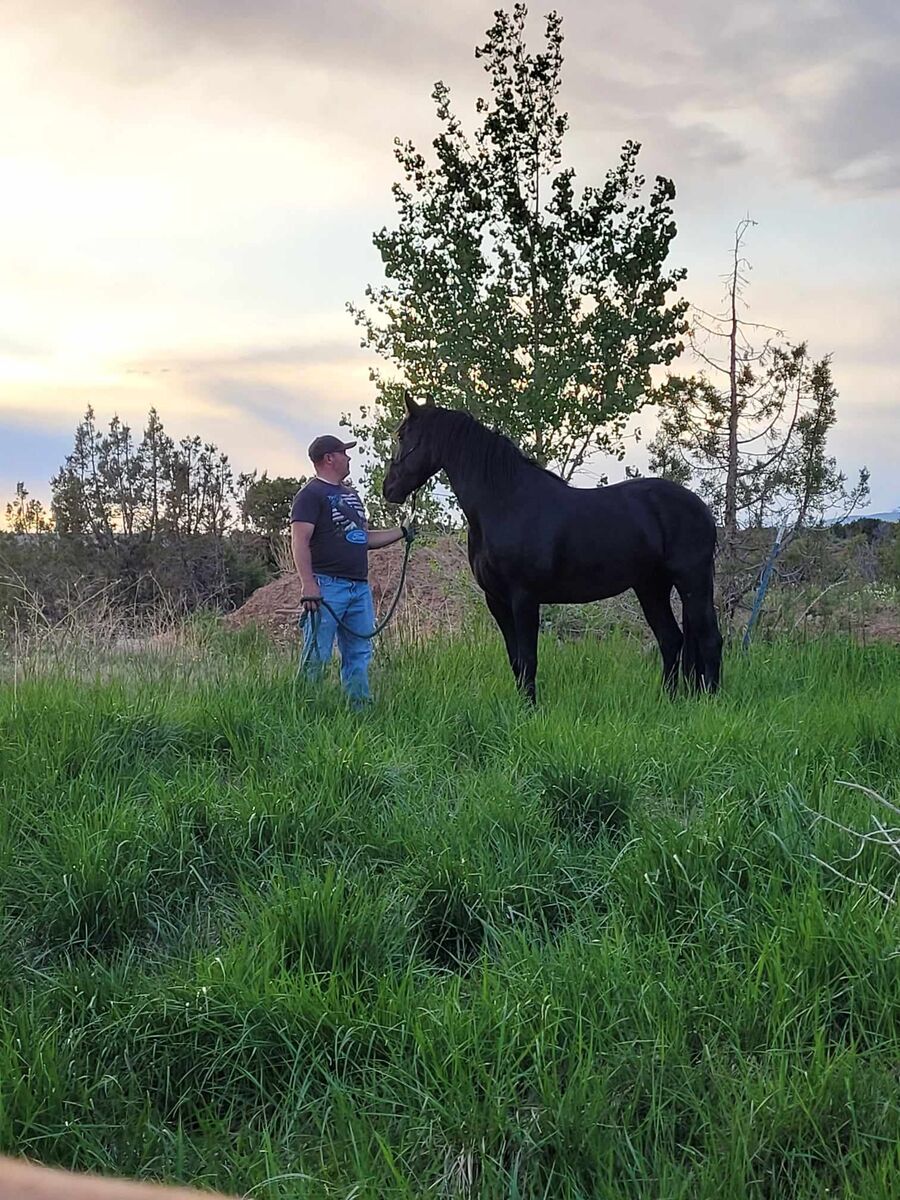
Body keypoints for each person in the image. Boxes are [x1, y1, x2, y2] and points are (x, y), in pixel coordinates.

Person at [290, 434, 414, 705]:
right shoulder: (309, 495)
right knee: (317, 654)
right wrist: (308, 584)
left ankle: (359, 711)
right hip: (327, 587)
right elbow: (299, 541)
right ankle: (304, 710)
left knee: (359, 652)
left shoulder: (351, 496)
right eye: (344, 453)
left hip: (358, 588)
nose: (349, 458)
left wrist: (402, 532)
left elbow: (363, 537)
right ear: (329, 458)